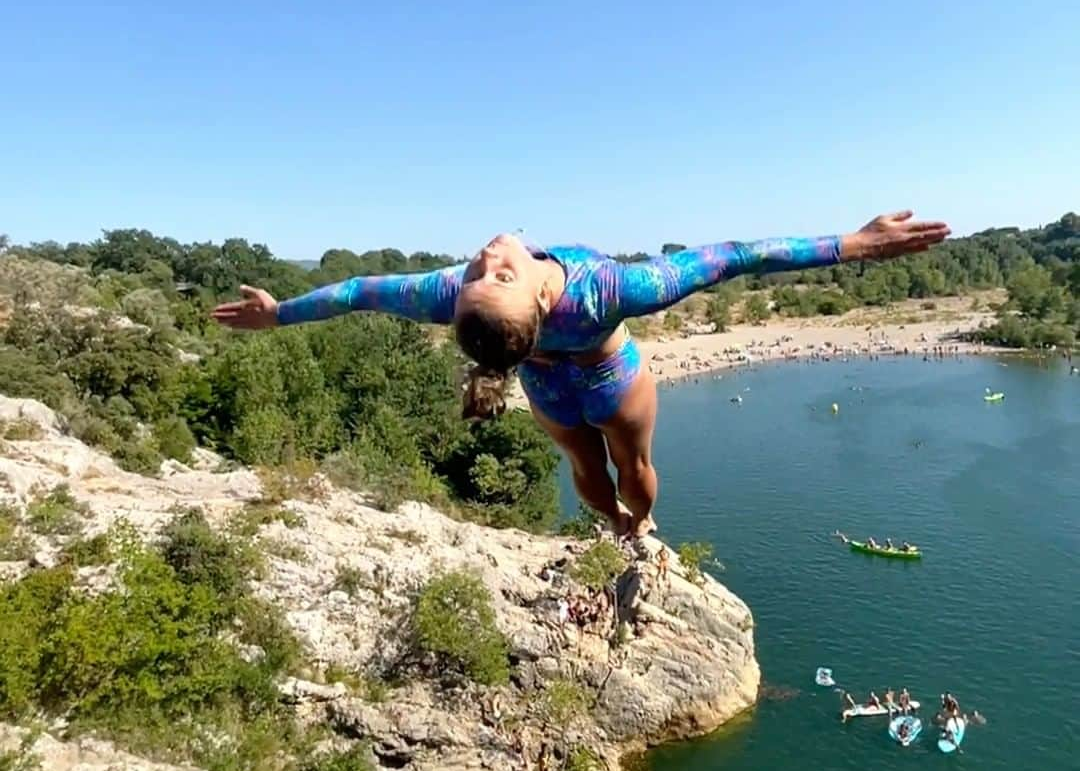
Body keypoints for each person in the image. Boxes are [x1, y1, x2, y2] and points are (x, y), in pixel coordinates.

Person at [212, 214, 949, 538]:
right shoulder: (608, 290)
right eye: (492, 269)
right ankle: (643, 524)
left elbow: (358, 293)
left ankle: (616, 527)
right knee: (633, 462)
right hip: (609, 378)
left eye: (481, 269)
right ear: (534, 294)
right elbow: (733, 256)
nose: (485, 257)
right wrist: (851, 245)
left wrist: (282, 317)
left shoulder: (452, 301)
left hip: (543, 389)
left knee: (579, 463)